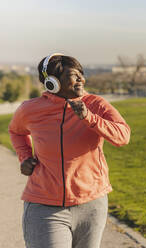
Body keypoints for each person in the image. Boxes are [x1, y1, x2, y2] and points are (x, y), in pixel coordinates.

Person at [8, 53, 131, 248]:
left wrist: (89, 117)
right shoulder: (30, 109)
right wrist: (25, 157)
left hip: (92, 205)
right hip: (45, 208)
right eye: (74, 75)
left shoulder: (96, 105)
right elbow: (15, 131)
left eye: (81, 74)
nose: (81, 79)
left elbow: (123, 136)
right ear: (52, 83)